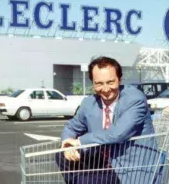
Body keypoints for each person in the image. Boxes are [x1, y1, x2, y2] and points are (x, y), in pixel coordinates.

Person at [56, 56, 158, 184]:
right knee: (62, 155)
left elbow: (118, 133)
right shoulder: (89, 103)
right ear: (92, 82)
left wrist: (79, 142)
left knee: (85, 181)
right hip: (104, 161)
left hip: (131, 168)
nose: (105, 89)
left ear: (120, 79)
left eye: (110, 82)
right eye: (99, 83)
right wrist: (67, 144)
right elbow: (71, 126)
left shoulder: (135, 99)